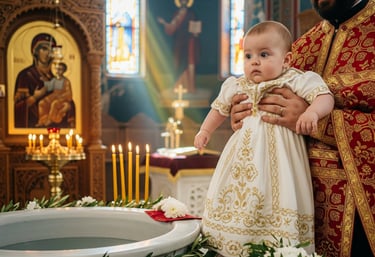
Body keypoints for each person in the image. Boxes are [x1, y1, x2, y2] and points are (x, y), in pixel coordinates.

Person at [230, 1, 375, 256]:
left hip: (360, 220)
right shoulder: (305, 44)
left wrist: (322, 123)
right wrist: (244, 112)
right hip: (289, 206)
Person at [195, 21, 334, 257]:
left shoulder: (295, 79)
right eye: (248, 55)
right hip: (242, 157)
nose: (254, 62)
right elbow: (218, 110)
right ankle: (234, 240)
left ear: (287, 60)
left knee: (276, 196)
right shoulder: (237, 84)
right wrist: (204, 131)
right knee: (239, 196)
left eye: (264, 54)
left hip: (281, 158)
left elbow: (324, 96)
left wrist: (312, 112)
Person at [14, 33, 75, 128]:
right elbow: (17, 108)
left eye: (51, 50)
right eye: (44, 49)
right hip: (31, 130)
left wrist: (68, 107)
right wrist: (35, 97)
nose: (48, 53)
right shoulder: (25, 75)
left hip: (58, 127)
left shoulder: (57, 77)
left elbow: (68, 98)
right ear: (35, 52)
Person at [157, 0, 199, 93]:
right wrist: (164, 23)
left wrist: (195, 32)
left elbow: (195, 27)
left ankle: (190, 87)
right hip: (179, 43)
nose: (183, 2)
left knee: (189, 63)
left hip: (189, 42)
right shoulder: (177, 14)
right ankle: (178, 85)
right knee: (178, 63)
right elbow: (172, 27)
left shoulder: (191, 14)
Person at [36, 62, 74, 127]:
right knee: (41, 103)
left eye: (60, 69)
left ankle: (51, 119)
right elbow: (50, 86)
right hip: (54, 96)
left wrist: (61, 97)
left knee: (54, 103)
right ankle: (43, 120)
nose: (58, 71)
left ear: (63, 71)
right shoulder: (54, 80)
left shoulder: (66, 81)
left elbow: (68, 94)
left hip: (62, 99)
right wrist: (44, 81)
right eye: (57, 69)